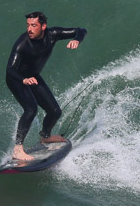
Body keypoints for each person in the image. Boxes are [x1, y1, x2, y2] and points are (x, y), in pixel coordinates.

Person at [6, 11, 87, 161]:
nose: (29, 29)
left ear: (43, 26)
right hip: (17, 79)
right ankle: (18, 149)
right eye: (28, 25)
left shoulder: (53, 34)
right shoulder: (22, 43)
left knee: (55, 111)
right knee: (31, 109)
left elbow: (81, 30)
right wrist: (23, 80)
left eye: (34, 25)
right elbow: (10, 69)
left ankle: (45, 137)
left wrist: (77, 40)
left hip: (34, 77)